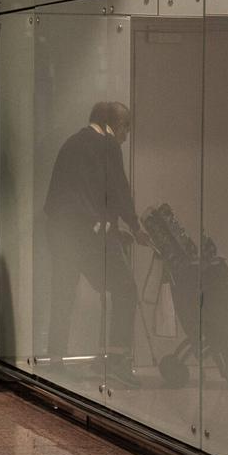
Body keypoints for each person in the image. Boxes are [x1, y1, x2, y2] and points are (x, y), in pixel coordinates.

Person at [44, 101, 148, 386]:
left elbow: (68, 194)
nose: (126, 135)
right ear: (112, 124)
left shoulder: (72, 142)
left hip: (62, 233)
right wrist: (135, 226)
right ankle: (117, 359)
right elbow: (118, 189)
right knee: (126, 288)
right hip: (90, 236)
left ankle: (55, 358)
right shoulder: (108, 145)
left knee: (63, 292)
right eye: (126, 127)